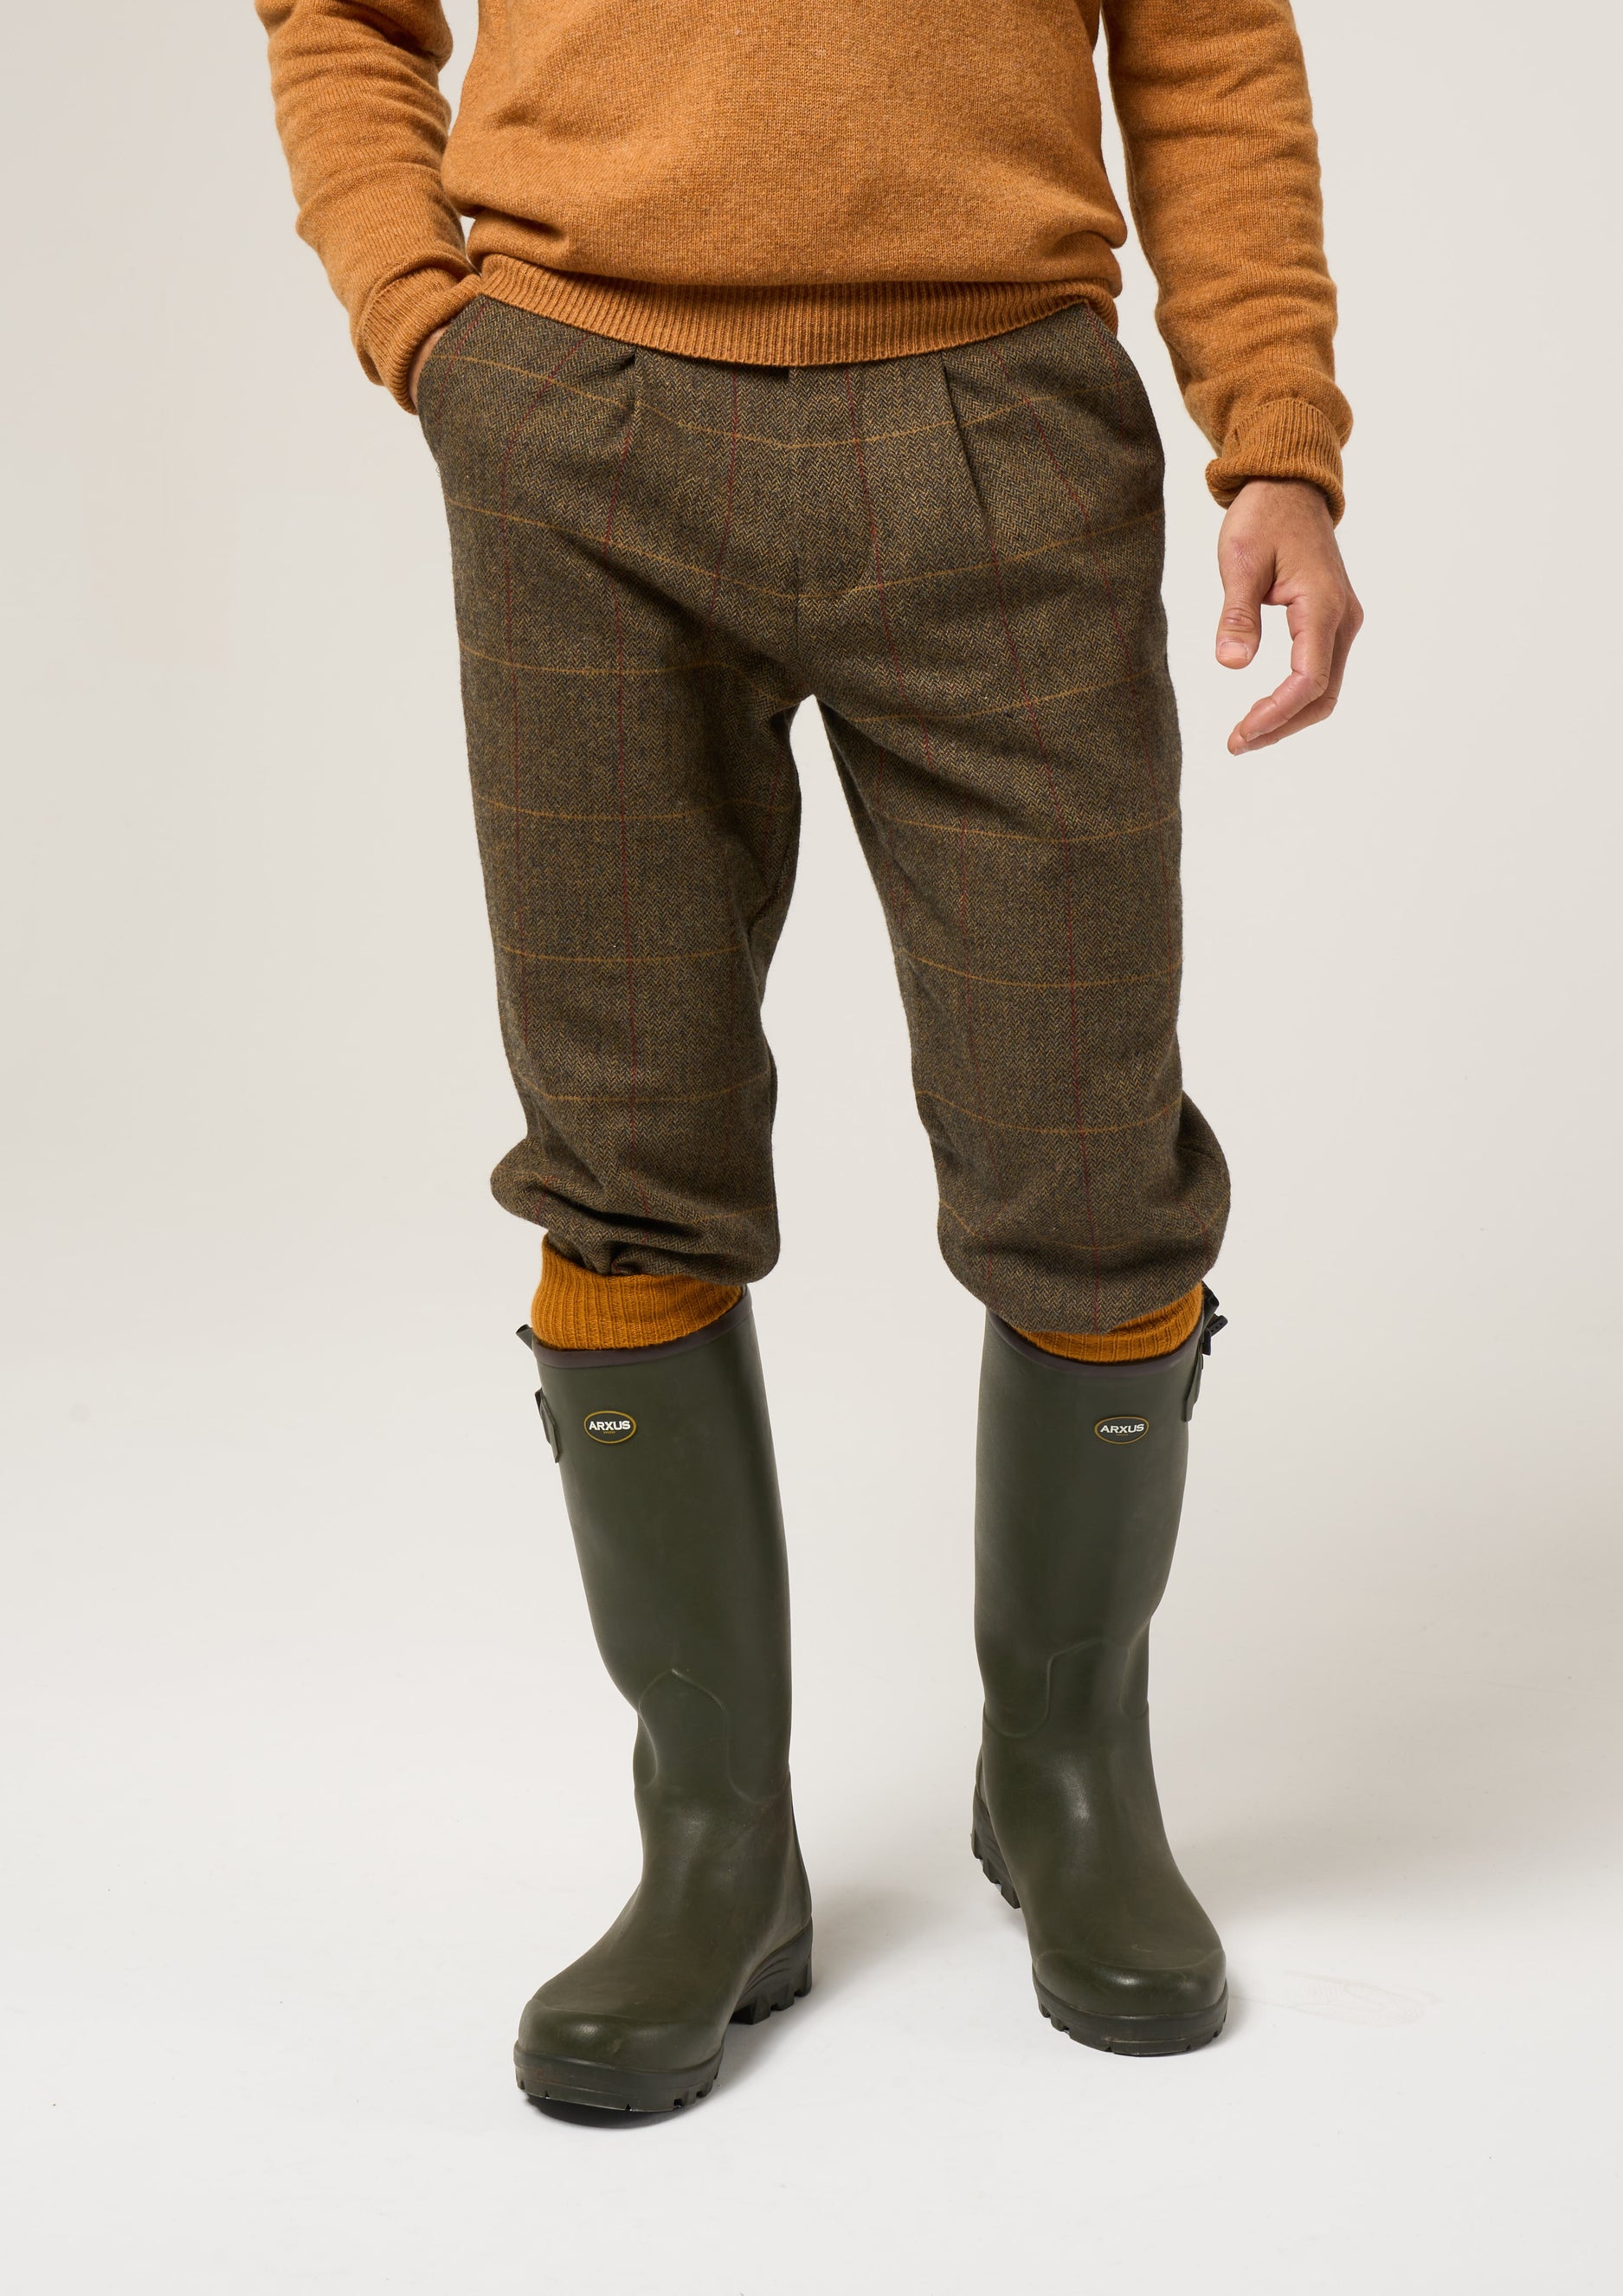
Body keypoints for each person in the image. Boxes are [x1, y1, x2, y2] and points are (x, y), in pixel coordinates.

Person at [254, 0, 1360, 2111]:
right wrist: (422, 319)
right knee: (623, 1154)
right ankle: (714, 1840)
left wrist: (1276, 436)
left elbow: (1208, 38)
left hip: (1004, 423)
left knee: (1087, 1161)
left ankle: (1065, 1780)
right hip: (572, 416)